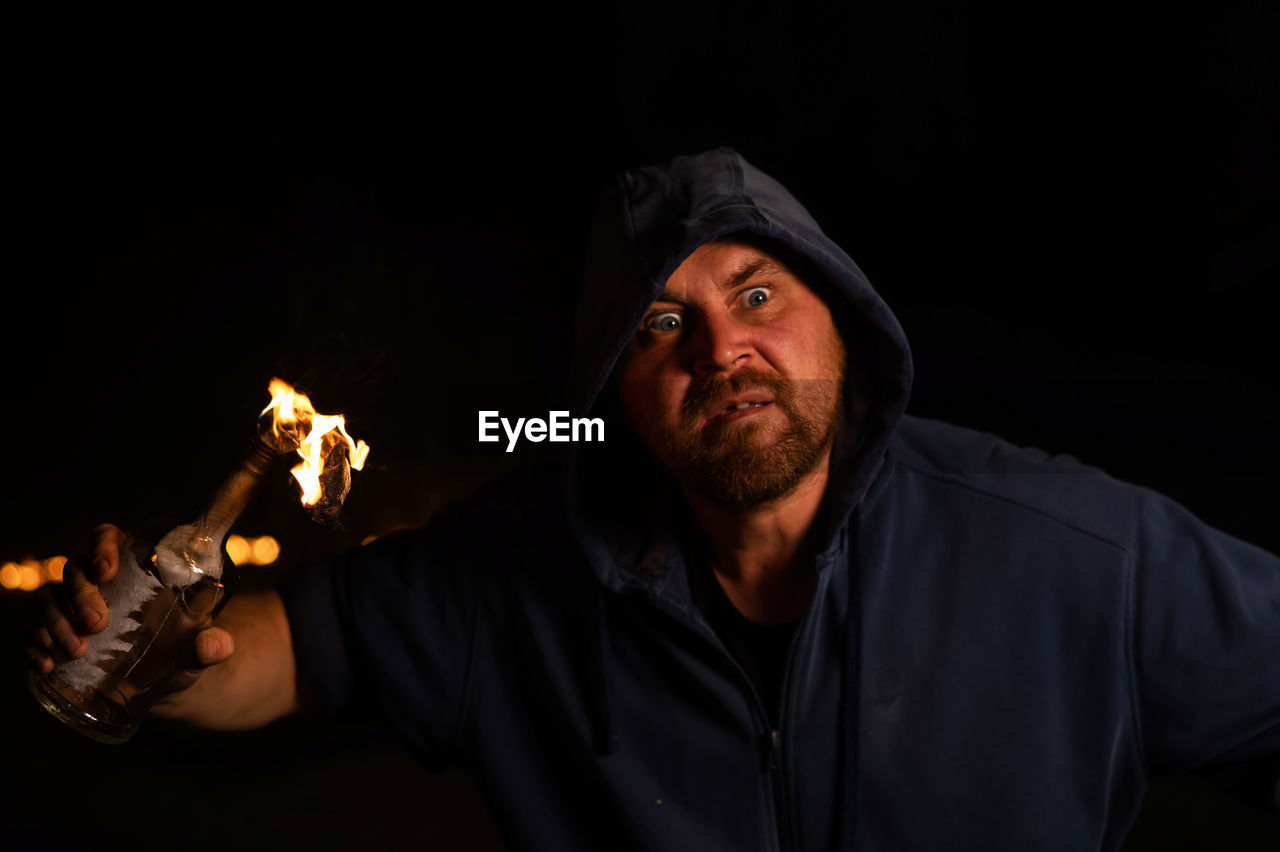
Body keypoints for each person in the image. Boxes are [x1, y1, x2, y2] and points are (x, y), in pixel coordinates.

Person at [27, 148, 1280, 850]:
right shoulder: (515, 571)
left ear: (839, 322)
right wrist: (177, 662)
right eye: (658, 325)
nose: (717, 352)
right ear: (615, 389)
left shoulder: (1072, 553)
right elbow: (297, 649)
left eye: (754, 296)